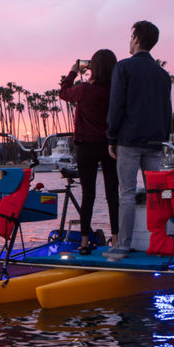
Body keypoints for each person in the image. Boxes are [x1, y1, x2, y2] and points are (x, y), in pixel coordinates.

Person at [106, 20, 174, 256]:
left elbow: (117, 105)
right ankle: (160, 241)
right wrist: (164, 138)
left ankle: (123, 245)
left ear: (135, 39)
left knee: (126, 193)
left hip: (129, 140)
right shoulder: (163, 74)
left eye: (130, 37)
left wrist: (111, 137)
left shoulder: (124, 67)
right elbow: (167, 110)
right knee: (158, 194)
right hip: (155, 141)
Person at [60, 49, 119, 254]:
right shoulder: (115, 91)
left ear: (93, 67)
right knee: (113, 194)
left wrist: (73, 71)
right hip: (110, 145)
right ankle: (117, 240)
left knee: (88, 195)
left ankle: (84, 243)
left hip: (86, 146)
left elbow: (63, 93)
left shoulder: (84, 90)